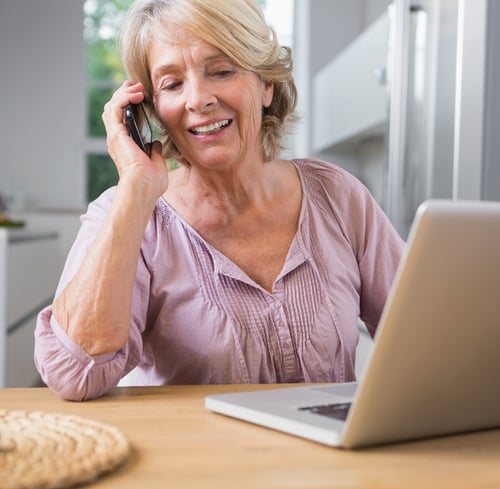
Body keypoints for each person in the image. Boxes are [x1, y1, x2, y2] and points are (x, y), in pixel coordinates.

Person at [34, 0, 404, 401]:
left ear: (267, 85)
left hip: (328, 461)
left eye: (222, 71)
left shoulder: (338, 196)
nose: (197, 99)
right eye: (172, 84)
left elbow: (424, 336)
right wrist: (135, 193)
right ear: (149, 110)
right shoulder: (126, 213)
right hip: (193, 462)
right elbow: (74, 374)